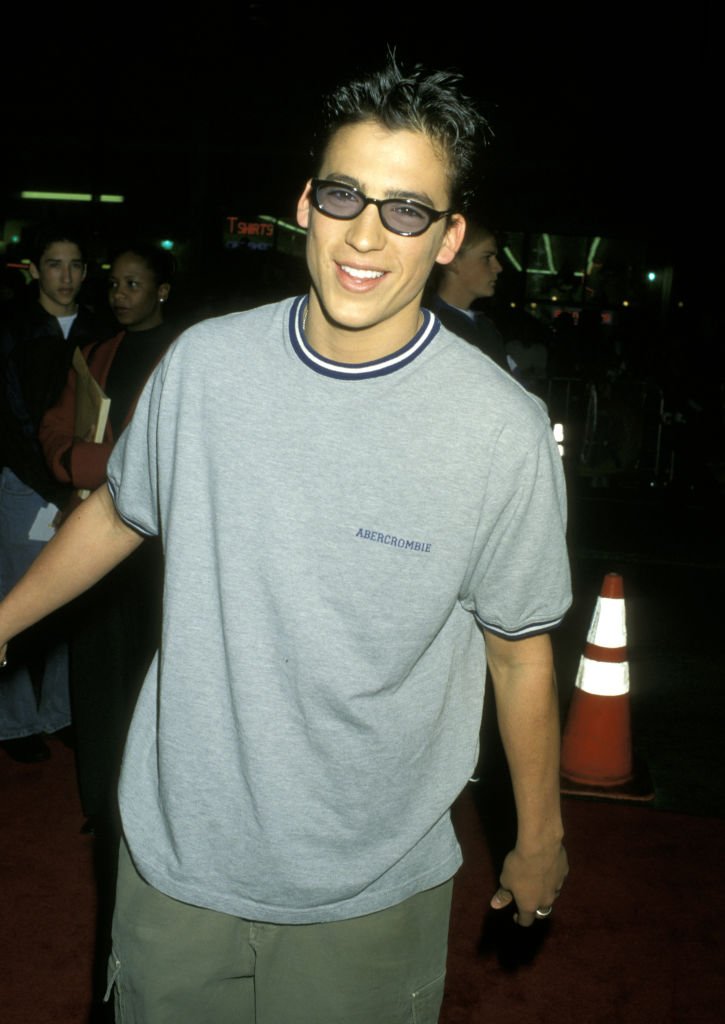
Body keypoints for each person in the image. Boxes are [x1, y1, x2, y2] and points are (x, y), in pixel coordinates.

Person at [0, 59, 571, 1024]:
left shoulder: (496, 429)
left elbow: (517, 653)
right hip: (176, 854)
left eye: (406, 210)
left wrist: (541, 834)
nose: (365, 233)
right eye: (345, 193)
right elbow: (122, 509)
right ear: (305, 202)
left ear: (448, 237)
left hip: (371, 881)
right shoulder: (206, 367)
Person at [39, 244, 174, 833]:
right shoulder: (95, 352)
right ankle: (101, 804)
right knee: (96, 681)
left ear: (161, 290)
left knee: (152, 681)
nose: (120, 294)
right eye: (115, 284)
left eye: (134, 284)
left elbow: (157, 461)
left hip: (160, 549)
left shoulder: (188, 357)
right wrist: (76, 461)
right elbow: (55, 429)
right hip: (95, 536)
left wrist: (89, 463)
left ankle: (148, 805)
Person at [0, 225, 103, 763]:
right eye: (56, 264)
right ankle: (14, 722)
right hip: (26, 483)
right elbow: (12, 423)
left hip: (80, 485)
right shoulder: (13, 329)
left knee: (70, 599)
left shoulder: (99, 328)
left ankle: (60, 712)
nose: (67, 276)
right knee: (16, 599)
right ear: (35, 269)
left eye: (77, 265)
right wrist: (53, 487)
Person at [431, 220, 510, 371]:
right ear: (453, 261)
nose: (498, 267)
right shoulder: (433, 329)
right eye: (487, 257)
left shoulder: (484, 325)